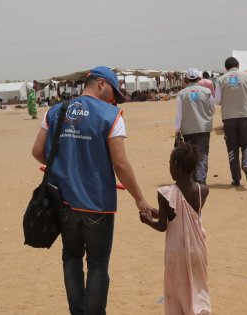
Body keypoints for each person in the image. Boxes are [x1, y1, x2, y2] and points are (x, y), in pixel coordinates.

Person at [31, 66, 154, 315]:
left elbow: (37, 151)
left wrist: (65, 166)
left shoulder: (56, 110)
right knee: (97, 266)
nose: (114, 99)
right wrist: (140, 198)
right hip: (97, 204)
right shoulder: (111, 115)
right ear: (100, 83)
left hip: (63, 202)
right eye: (113, 92)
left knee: (71, 258)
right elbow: (120, 163)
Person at [139, 142, 211, 315]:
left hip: (176, 252)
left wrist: (147, 220)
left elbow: (163, 225)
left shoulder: (165, 193)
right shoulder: (203, 190)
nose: (169, 167)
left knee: (176, 291)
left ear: (176, 166)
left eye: (170, 164)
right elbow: (184, 214)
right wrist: (160, 212)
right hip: (197, 249)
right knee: (197, 287)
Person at [215, 57, 247, 186]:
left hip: (228, 117)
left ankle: (236, 178)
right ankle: (246, 164)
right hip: (245, 115)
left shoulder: (221, 79)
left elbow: (217, 100)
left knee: (232, 147)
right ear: (238, 66)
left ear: (226, 68)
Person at [175, 68, 215, 185]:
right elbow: (212, 109)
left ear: (186, 80)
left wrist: (177, 129)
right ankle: (201, 178)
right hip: (204, 127)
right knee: (202, 153)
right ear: (199, 78)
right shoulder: (206, 92)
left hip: (188, 129)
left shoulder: (181, 94)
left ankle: (192, 179)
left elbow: (179, 113)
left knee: (191, 153)